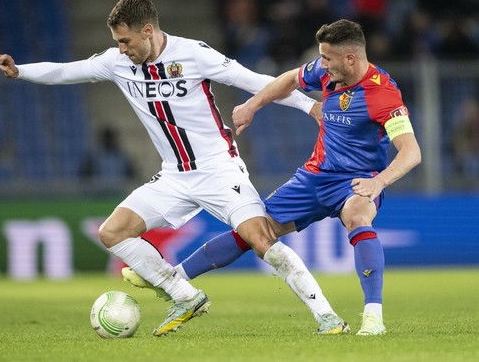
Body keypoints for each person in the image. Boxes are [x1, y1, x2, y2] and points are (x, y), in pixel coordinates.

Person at [0, 0, 348, 337]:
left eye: (126, 41)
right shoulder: (117, 62)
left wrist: (309, 106)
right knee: (112, 231)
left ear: (148, 30)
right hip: (174, 176)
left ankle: (328, 318)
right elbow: (67, 71)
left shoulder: (193, 54)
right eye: (117, 42)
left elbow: (255, 81)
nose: (121, 49)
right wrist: (20, 71)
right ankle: (185, 296)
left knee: (261, 239)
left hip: (218, 169)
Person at [124, 19, 421, 336]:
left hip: (358, 181)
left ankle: (373, 318)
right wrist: (253, 104)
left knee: (358, 215)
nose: (321, 65)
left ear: (350, 58)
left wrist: (378, 183)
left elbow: (411, 152)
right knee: (255, 231)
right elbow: (290, 79)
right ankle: (172, 277)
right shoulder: (326, 71)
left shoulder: (383, 94)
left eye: (327, 58)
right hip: (315, 176)